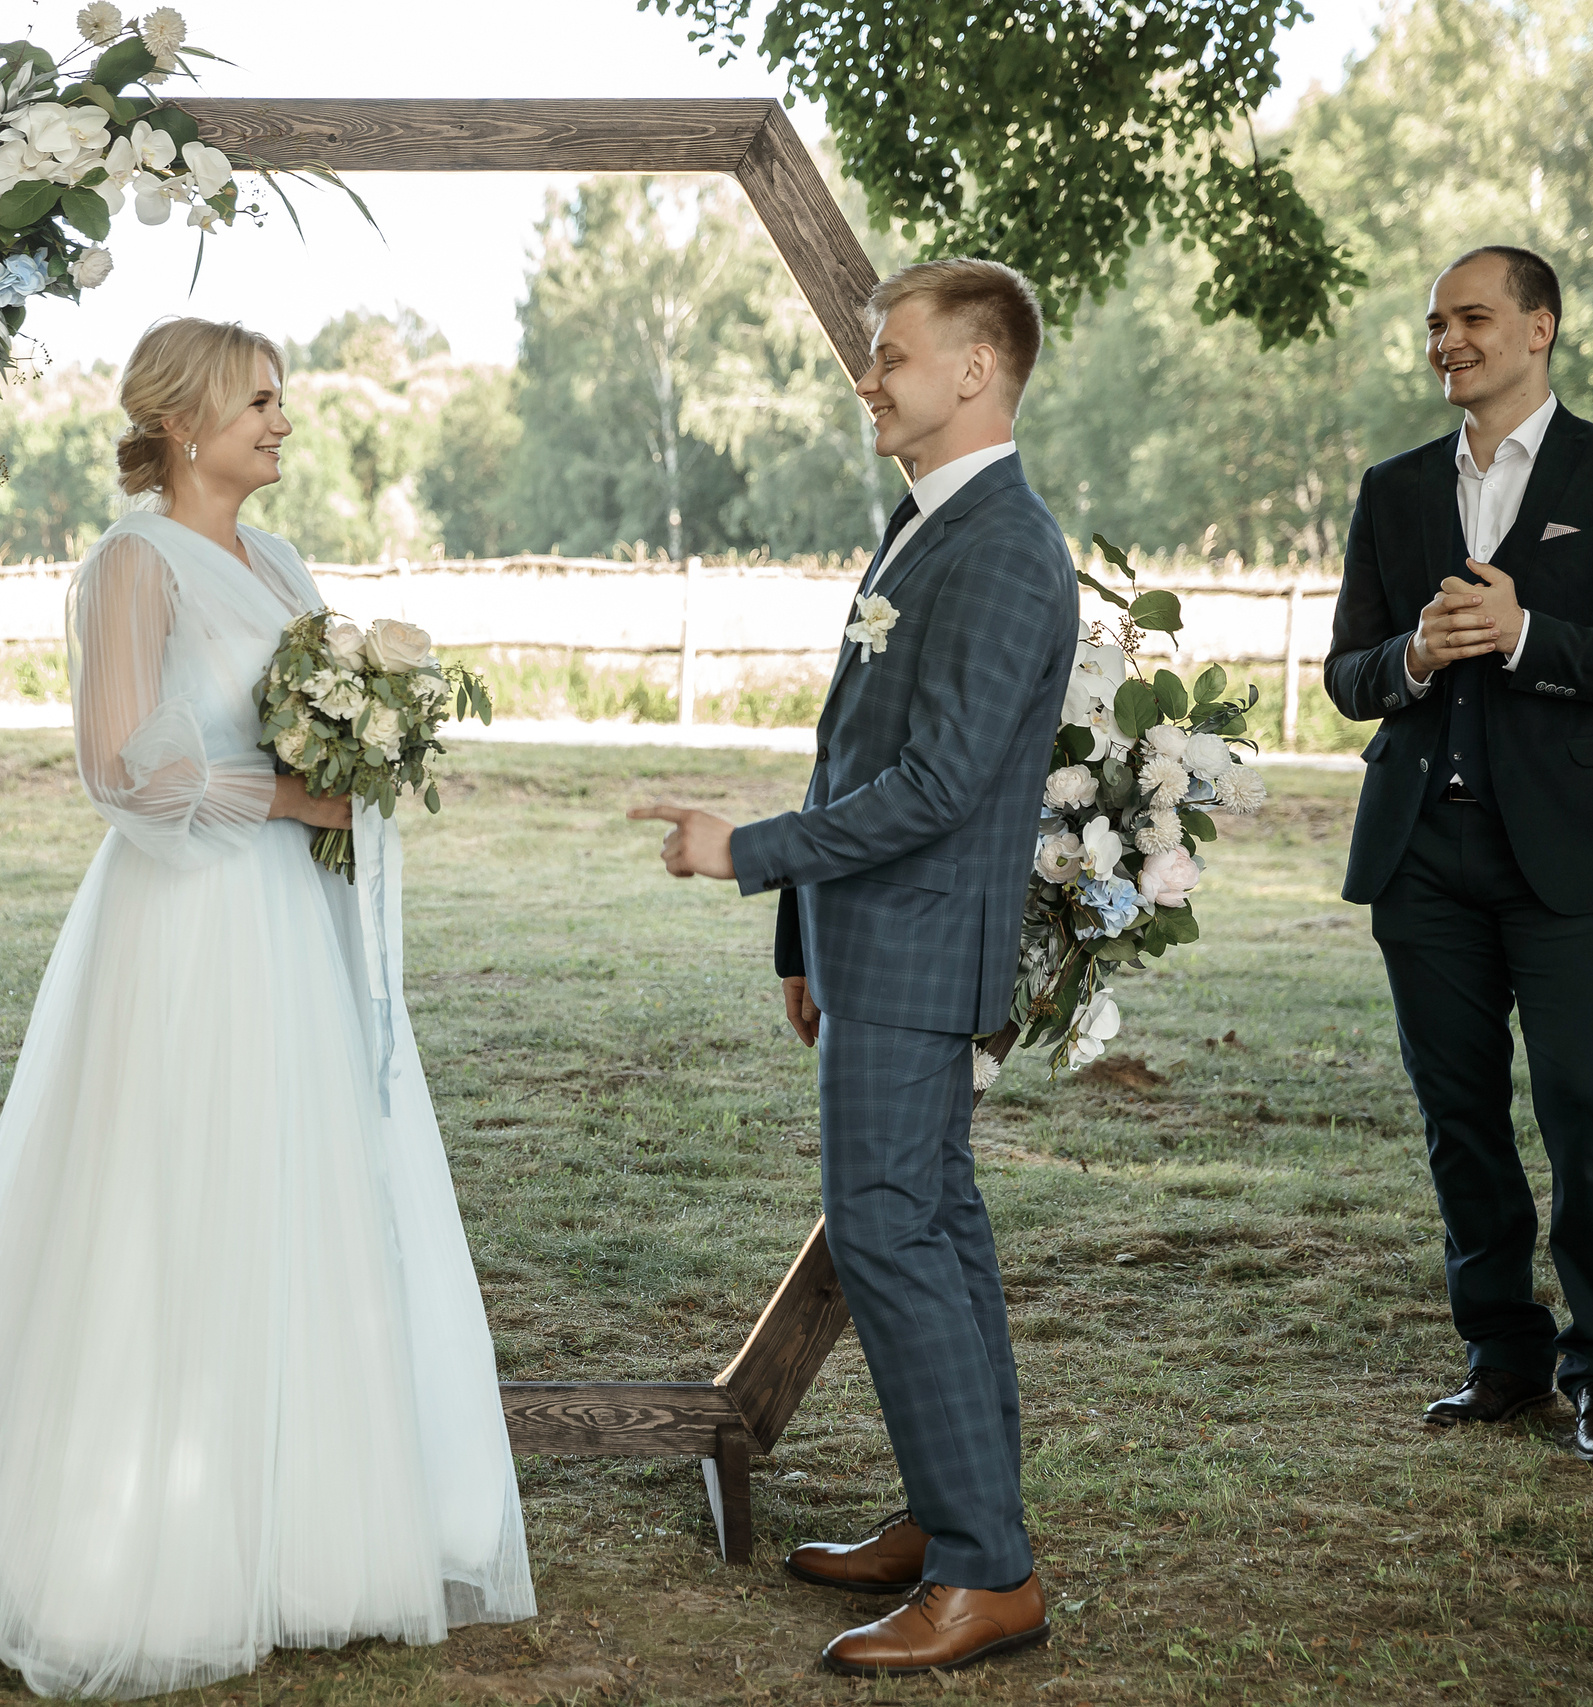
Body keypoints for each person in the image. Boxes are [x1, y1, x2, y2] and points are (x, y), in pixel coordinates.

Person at [0, 316, 534, 1696]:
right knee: (177, 1191)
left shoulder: (281, 561)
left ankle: (307, 1538)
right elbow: (116, 763)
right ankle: (136, 1551)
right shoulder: (133, 561)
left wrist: (359, 764)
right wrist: (284, 792)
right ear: (182, 419)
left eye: (281, 402)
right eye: (259, 401)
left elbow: (296, 715)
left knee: (301, 1188)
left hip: (290, 915)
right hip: (184, 921)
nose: (282, 423)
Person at [632, 259, 1075, 1677]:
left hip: (926, 938)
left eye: (891, 355)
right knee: (928, 1224)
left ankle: (986, 1574)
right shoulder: (923, 520)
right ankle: (959, 1520)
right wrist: (799, 932)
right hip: (868, 939)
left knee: (890, 1230)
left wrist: (744, 851)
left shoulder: (1003, 542)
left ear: (975, 372)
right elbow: (856, 745)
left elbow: (940, 781)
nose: (867, 377)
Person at [1322, 245, 1593, 1468]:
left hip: (1568, 857)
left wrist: (1525, 635)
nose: (1447, 339)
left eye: (1472, 317)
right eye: (1433, 322)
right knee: (1458, 1114)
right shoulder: (1392, 488)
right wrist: (1408, 659)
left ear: (1540, 328)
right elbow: (1349, 676)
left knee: (1584, 1105)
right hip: (1421, 854)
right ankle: (1501, 1353)